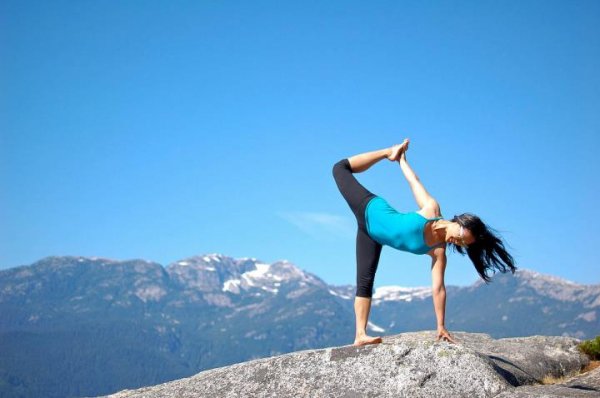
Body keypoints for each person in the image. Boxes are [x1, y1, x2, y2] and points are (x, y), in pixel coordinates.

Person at [332, 139, 516, 346]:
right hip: (371, 209)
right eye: (462, 237)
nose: (459, 242)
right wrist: (400, 159)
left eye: (464, 244)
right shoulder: (431, 209)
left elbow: (438, 289)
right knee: (339, 168)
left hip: (371, 236)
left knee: (364, 283)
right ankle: (386, 152)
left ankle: (360, 335)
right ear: (461, 222)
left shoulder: (438, 252)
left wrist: (441, 325)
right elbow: (414, 182)